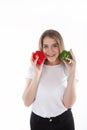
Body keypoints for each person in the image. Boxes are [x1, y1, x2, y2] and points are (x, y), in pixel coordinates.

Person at [22, 29, 77, 130]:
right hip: (38, 122)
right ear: (41, 48)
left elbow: (68, 104)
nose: (50, 51)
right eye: (46, 46)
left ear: (60, 46)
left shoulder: (68, 68)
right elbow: (27, 102)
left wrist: (72, 72)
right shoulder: (33, 68)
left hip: (64, 121)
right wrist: (37, 73)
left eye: (54, 45)